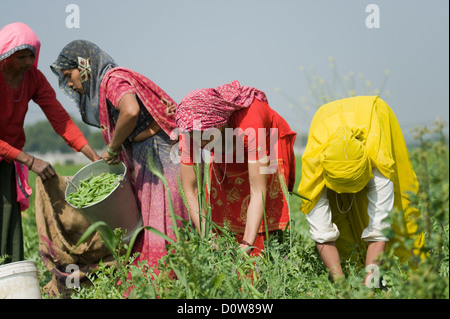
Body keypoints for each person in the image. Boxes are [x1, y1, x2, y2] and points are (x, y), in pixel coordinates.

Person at [50, 40, 188, 270]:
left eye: (69, 75)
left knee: (166, 225)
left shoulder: (112, 80)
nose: (69, 84)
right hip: (148, 158)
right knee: (158, 223)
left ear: (84, 67)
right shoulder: (107, 84)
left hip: (162, 157)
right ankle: (166, 280)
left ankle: (169, 282)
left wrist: (113, 148)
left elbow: (130, 110)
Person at [297, 96, 425, 283]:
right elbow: (322, 236)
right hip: (325, 118)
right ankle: (351, 272)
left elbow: (379, 230)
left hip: (375, 115)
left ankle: (411, 276)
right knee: (338, 213)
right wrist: (341, 286)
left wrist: (369, 286)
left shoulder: (378, 159)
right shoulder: (314, 169)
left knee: (401, 207)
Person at [0, 23, 100, 264]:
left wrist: (94, 157)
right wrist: (30, 160)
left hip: (7, 160)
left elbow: (60, 119)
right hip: (13, 155)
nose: (27, 62)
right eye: (20, 57)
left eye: (30, 57)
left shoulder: (33, 79)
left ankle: (9, 278)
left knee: (8, 221)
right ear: (4, 55)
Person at [175, 80, 297, 255]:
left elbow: (258, 191)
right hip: (228, 144)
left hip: (267, 144)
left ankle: (263, 258)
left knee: (263, 223)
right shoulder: (191, 130)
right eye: (196, 141)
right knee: (224, 205)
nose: (202, 147)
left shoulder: (250, 122)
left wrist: (247, 243)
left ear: (220, 125)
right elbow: (190, 190)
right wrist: (208, 237)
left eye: (206, 140)